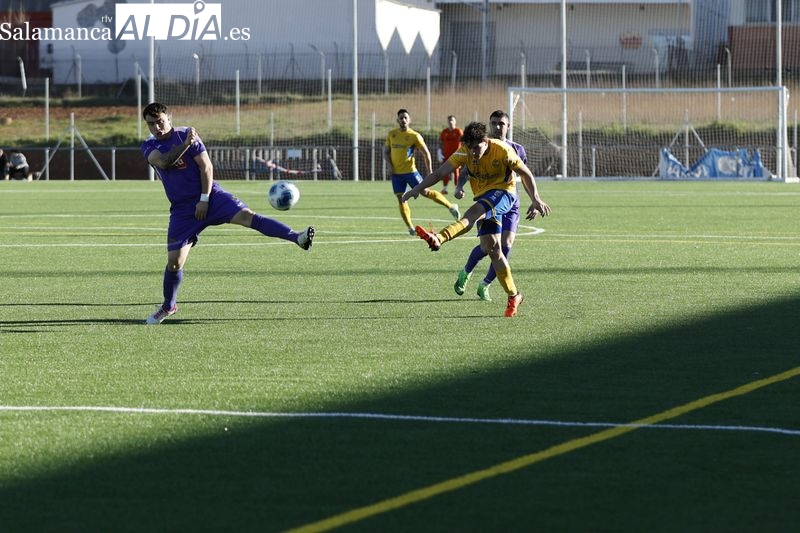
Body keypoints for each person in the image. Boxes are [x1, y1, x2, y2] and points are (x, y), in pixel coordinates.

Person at [140, 102, 315, 325]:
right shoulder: (150, 145)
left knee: (247, 216)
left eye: (160, 122)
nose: (157, 127)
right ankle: (168, 306)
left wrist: (204, 200)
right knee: (174, 263)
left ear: (169, 118)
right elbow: (164, 162)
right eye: (151, 124)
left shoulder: (186, 133)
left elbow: (206, 167)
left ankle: (297, 238)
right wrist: (185, 145)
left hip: (211, 196)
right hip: (182, 210)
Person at [401, 121, 550, 317]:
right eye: (469, 148)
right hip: (483, 196)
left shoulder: (503, 150)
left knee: (473, 213)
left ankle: (439, 237)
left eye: (476, 148)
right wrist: (416, 189)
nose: (473, 152)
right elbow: (438, 173)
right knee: (493, 249)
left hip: (504, 193)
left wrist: (536, 199)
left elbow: (525, 173)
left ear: (486, 141)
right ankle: (514, 295)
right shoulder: (465, 151)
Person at [453, 110, 526, 302]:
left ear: (508, 126)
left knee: (506, 245)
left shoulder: (517, 149)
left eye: (501, 123)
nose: (497, 127)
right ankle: (466, 272)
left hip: (510, 202)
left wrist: (535, 201)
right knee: (487, 247)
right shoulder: (480, 146)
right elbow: (466, 170)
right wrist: (459, 186)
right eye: (494, 123)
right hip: (488, 199)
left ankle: (485, 284)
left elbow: (524, 174)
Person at [384, 108, 460, 236]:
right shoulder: (392, 134)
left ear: (409, 120)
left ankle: (451, 206)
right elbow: (386, 152)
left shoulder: (414, 136)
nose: (403, 120)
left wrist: (430, 171)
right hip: (396, 174)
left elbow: (426, 153)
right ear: (397, 120)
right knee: (401, 199)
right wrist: (389, 166)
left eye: (405, 117)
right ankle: (410, 227)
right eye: (401, 118)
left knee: (425, 192)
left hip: (410, 172)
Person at [437, 115, 463, 195]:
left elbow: (464, 143)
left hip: (456, 156)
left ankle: (457, 189)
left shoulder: (459, 131)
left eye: (452, 120)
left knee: (456, 172)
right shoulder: (444, 132)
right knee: (445, 172)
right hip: (446, 156)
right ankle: (445, 189)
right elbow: (440, 142)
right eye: (449, 120)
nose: (451, 122)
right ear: (447, 122)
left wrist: (462, 153)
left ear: (455, 121)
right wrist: (439, 152)